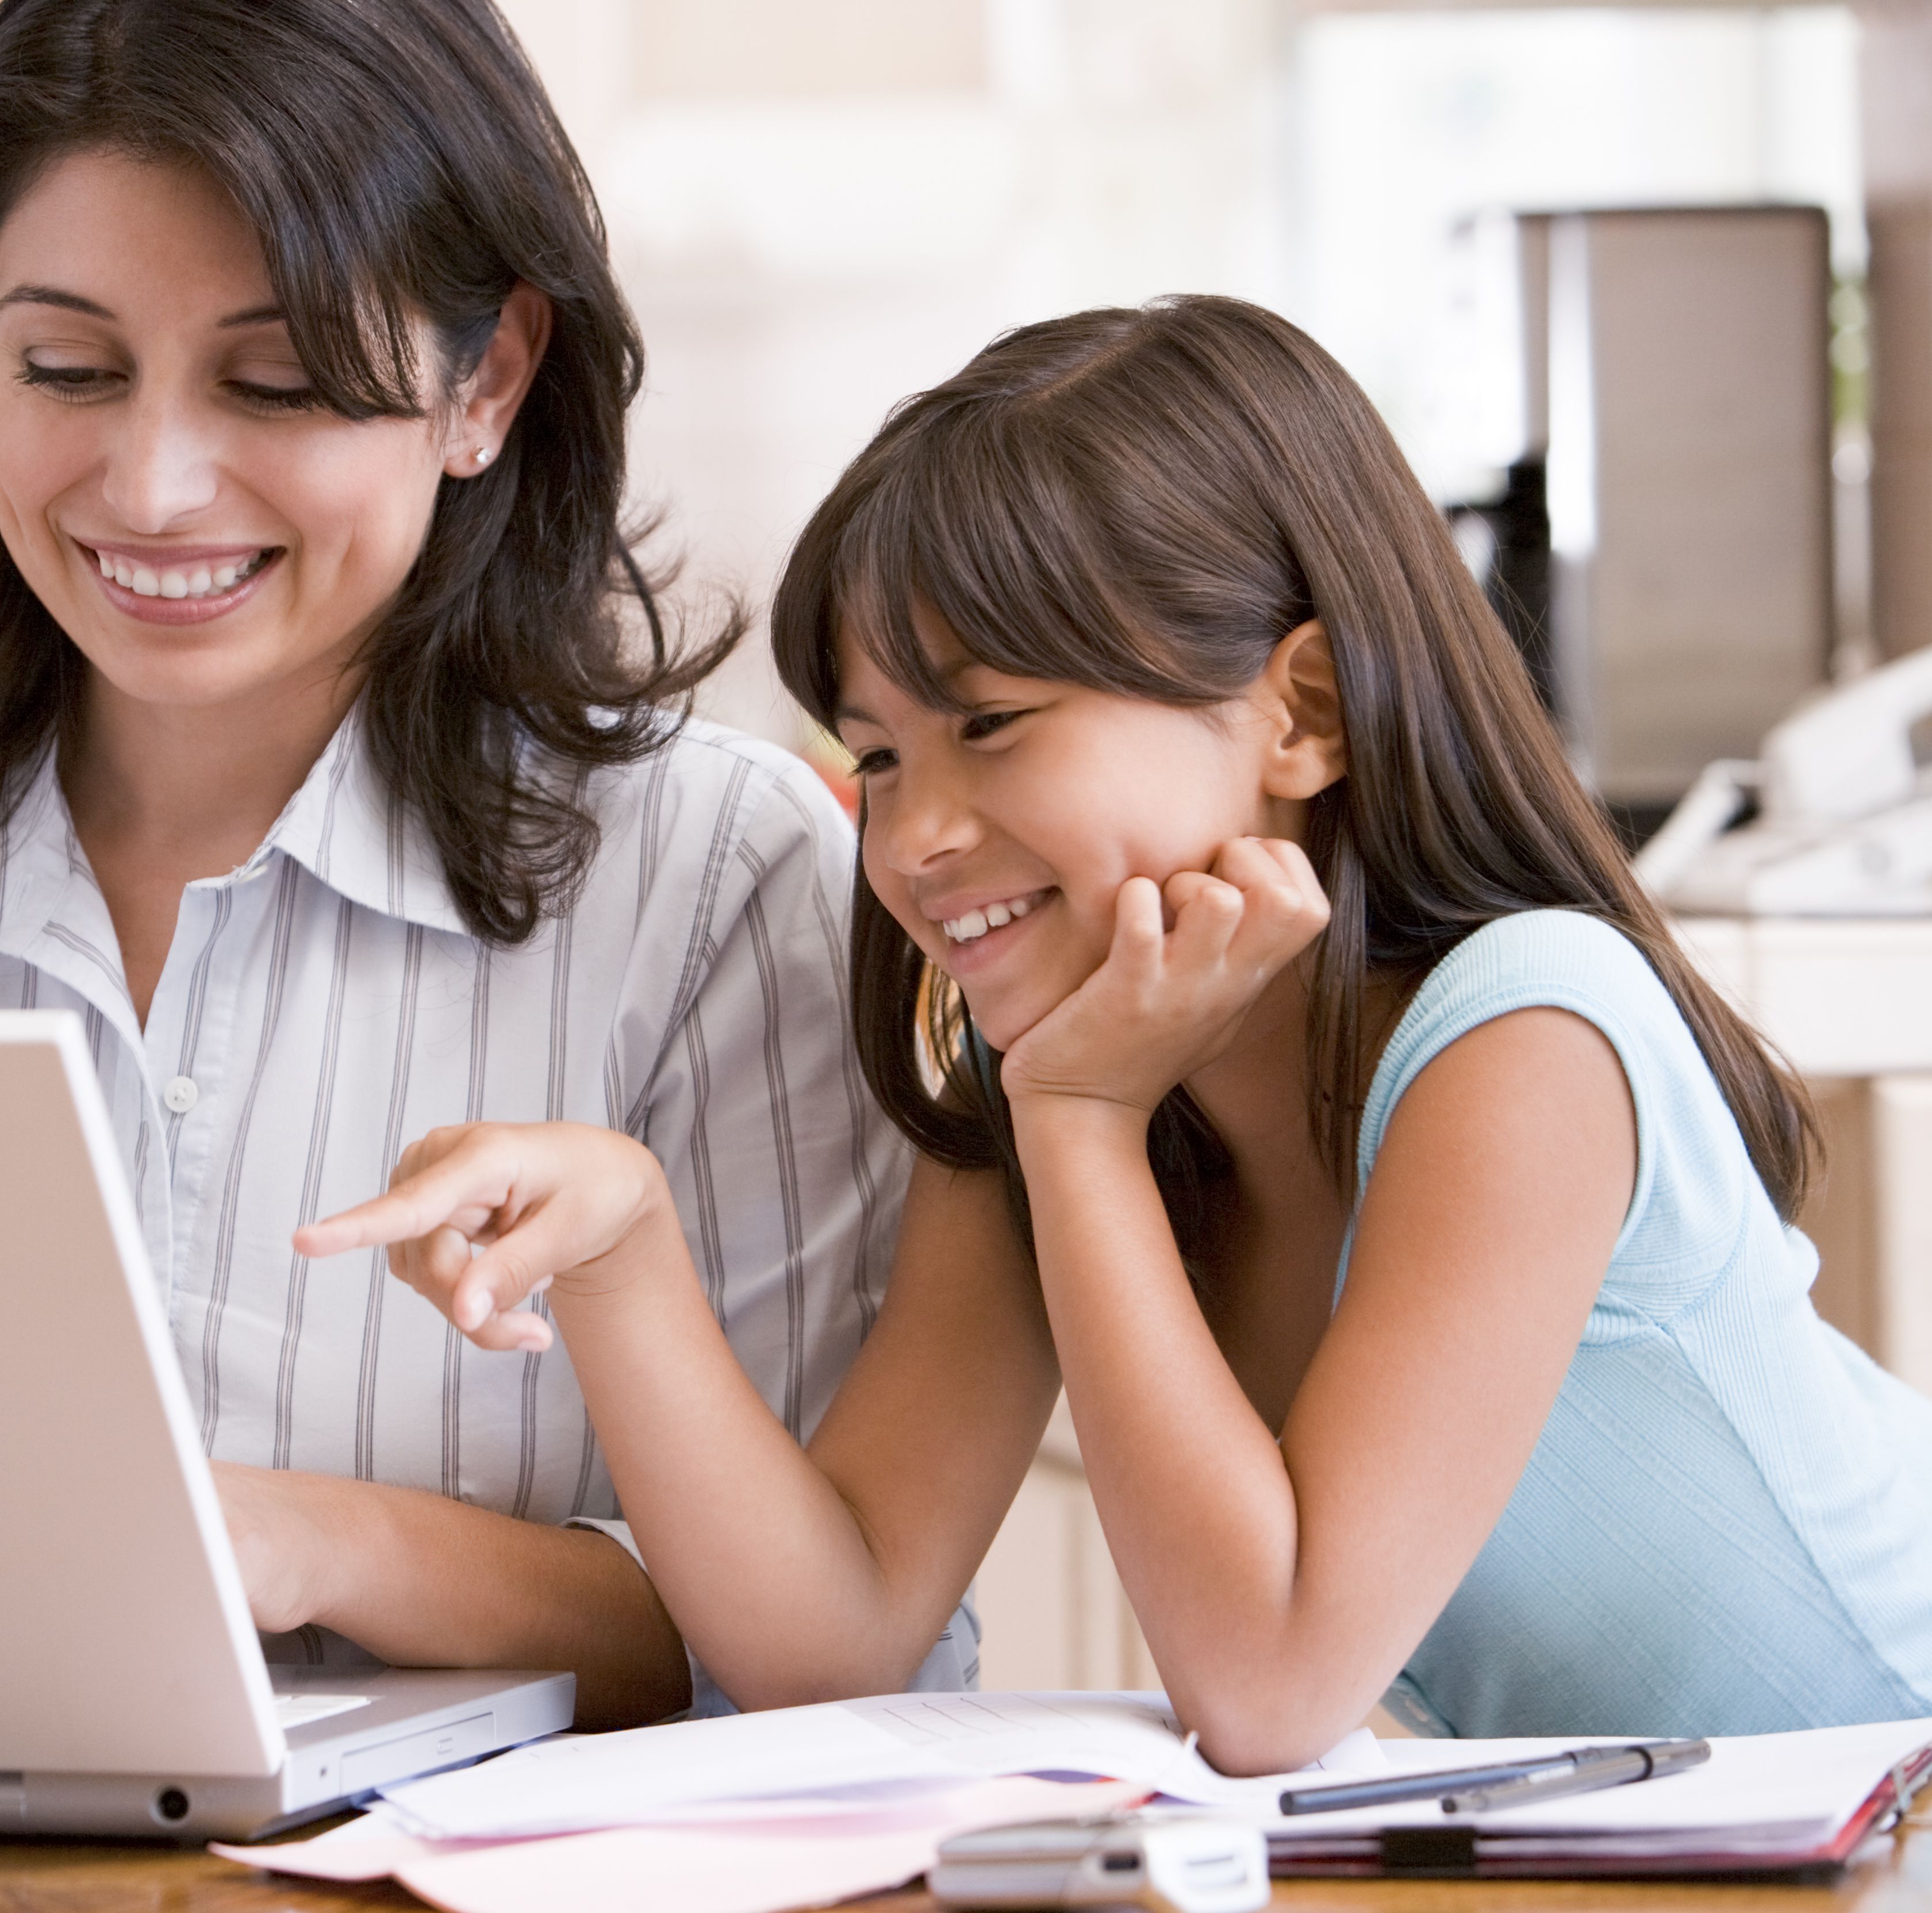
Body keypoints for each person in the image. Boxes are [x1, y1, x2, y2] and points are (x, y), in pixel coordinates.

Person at [304, 296, 1932, 1769]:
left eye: (991, 728)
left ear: (1298, 713)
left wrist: (1077, 1123)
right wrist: (624, 1254)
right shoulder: (1070, 1093)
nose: (915, 837)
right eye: (876, 759)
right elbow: (840, 1632)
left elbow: (1273, 1685)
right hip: (1686, 1859)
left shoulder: (1522, 1039)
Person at [0, 0, 933, 1728]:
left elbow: (806, 1649)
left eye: (280, 381)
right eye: (67, 371)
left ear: (484, 383)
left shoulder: (717, 876)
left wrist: (302, 1547)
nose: (155, 485)